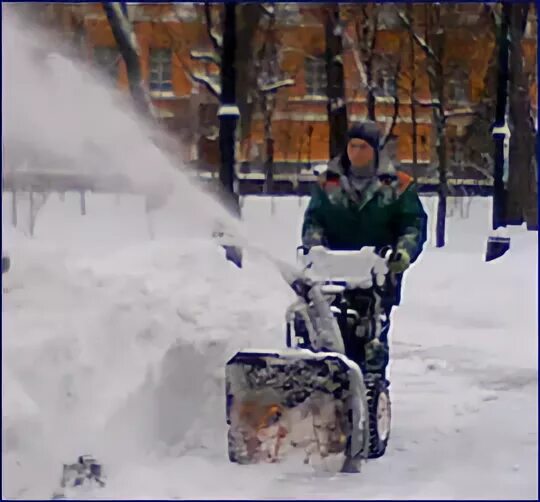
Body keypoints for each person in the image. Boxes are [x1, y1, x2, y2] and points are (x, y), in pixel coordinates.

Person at [301, 121, 427, 382]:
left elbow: (412, 225)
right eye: (352, 146)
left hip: (377, 275)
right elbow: (314, 220)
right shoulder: (328, 183)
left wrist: (402, 253)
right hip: (333, 273)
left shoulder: (398, 186)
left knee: (372, 338)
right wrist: (314, 246)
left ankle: (371, 394)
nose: (356, 152)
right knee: (330, 334)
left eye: (363, 147)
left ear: (376, 151)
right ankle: (334, 391)